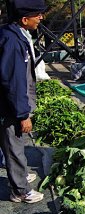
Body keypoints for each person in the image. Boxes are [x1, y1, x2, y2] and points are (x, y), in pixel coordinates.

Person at [0, 0, 47, 203]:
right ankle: (20, 191)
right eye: (37, 15)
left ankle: (19, 174)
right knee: (14, 144)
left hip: (8, 104)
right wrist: (23, 114)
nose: (41, 18)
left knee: (13, 144)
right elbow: (13, 82)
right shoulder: (11, 41)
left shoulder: (13, 34)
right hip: (9, 107)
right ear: (24, 19)